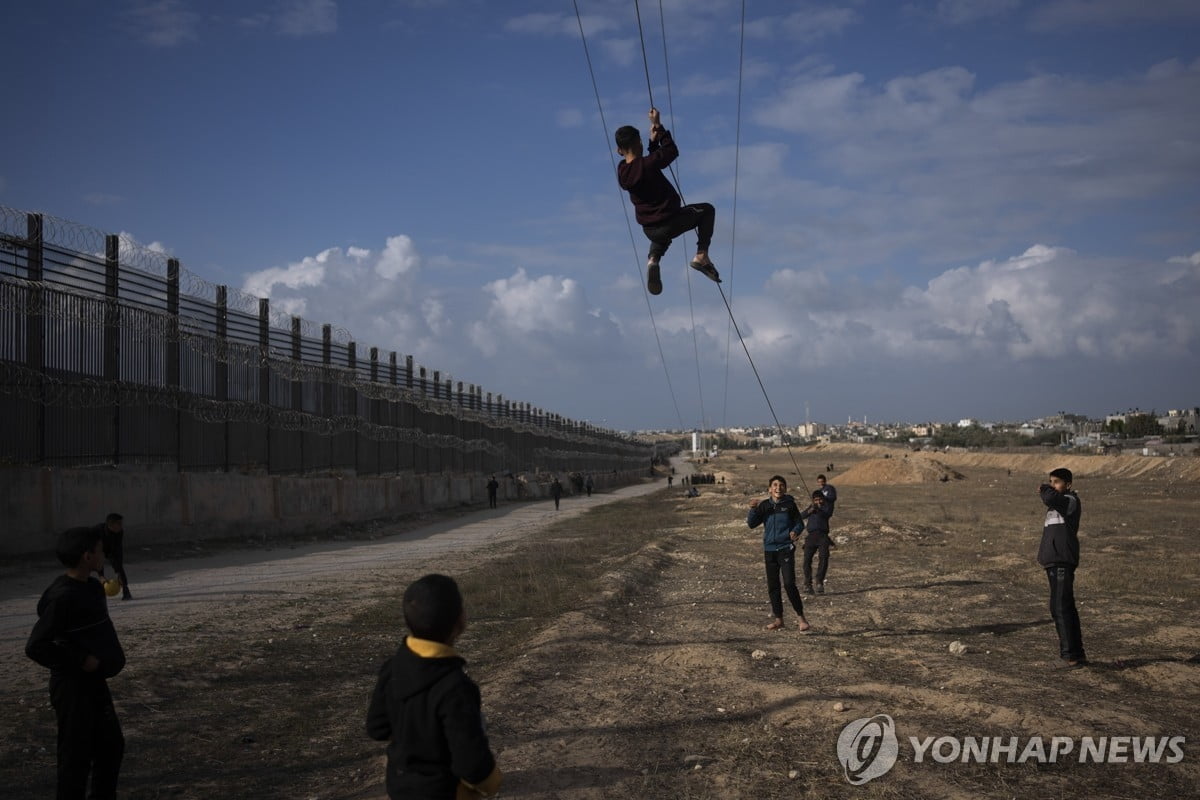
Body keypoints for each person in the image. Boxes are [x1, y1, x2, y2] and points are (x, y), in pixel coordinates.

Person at [366, 574, 502, 799]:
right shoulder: (456, 687)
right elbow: (471, 762)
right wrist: (492, 782)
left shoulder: (392, 667)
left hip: (400, 786)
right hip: (443, 791)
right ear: (460, 621)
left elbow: (377, 727)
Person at [26, 526, 127, 800]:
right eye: (99, 550)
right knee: (75, 759)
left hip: (95, 684)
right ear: (86, 556)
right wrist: (81, 660)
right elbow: (36, 646)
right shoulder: (63, 596)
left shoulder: (92, 587)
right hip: (72, 689)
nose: (103, 553)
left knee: (111, 746)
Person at [615, 108, 720, 296]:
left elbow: (646, 164)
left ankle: (653, 260)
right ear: (638, 143)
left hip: (650, 230)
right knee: (707, 210)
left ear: (619, 151)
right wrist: (658, 126)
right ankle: (702, 256)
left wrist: (652, 144)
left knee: (661, 236)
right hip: (671, 221)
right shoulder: (647, 164)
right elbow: (671, 151)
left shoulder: (622, 171)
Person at [746, 475, 811, 632]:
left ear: (785, 488)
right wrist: (753, 509)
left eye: (781, 485)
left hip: (785, 548)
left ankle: (801, 618)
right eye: (775, 485)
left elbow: (799, 523)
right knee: (773, 586)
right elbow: (751, 524)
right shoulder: (764, 506)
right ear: (770, 489)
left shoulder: (789, 505)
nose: (778, 487)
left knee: (789, 583)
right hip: (769, 550)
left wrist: (795, 531)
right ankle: (779, 620)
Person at [1038, 468, 1087, 669]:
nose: (1052, 485)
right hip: (1055, 561)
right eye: (1050, 481)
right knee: (1064, 606)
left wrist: (1043, 487)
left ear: (1068, 484)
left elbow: (1049, 497)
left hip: (1062, 561)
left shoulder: (1069, 500)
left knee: (1060, 607)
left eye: (1056, 482)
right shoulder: (1059, 502)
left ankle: (1069, 657)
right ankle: (1076, 653)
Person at [799, 491, 834, 595]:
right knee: (807, 560)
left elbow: (827, 514)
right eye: (816, 500)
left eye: (820, 499)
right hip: (811, 536)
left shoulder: (827, 507)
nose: (818, 501)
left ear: (823, 499)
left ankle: (819, 581)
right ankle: (807, 584)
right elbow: (801, 516)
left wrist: (818, 508)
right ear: (813, 500)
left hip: (823, 536)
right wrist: (810, 510)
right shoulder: (811, 507)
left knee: (824, 558)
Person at [95, 513, 132, 601]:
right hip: (98, 550)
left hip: (112, 550)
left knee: (119, 568)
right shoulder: (97, 530)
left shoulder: (119, 532)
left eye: (121, 523)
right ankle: (99, 590)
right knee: (96, 564)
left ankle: (126, 590)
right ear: (110, 525)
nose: (121, 526)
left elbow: (118, 551)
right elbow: (95, 552)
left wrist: (118, 572)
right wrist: (101, 575)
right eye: (119, 524)